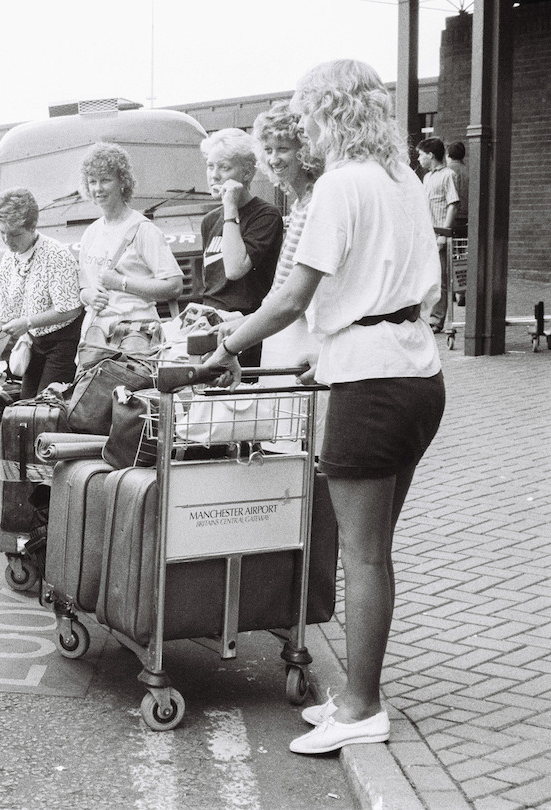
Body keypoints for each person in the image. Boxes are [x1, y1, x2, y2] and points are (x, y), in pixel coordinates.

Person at [200, 59, 445, 756]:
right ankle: (357, 693)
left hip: (370, 390)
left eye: (308, 115)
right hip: (417, 376)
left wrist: (225, 351)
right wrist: (326, 349)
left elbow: (289, 298)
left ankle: (363, 708)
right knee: (376, 554)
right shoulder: (402, 180)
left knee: (363, 557)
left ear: (331, 113)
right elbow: (408, 285)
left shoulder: (341, 184)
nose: (302, 130)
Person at [249, 102, 326, 449]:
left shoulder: (315, 201)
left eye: (283, 149)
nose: (274, 158)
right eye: (268, 150)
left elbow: (295, 287)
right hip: (283, 328)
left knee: (295, 442)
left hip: (299, 331)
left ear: (304, 151)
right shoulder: (299, 203)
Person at [76, 142, 183, 367]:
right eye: (92, 182)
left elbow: (174, 286)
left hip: (136, 335)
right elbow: (84, 287)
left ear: (123, 182)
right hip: (96, 336)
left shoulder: (144, 230)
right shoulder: (91, 232)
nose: (98, 188)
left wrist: (121, 283)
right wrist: (89, 296)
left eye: (105, 180)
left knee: (129, 399)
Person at [0, 187, 84, 398]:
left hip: (63, 343)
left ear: (32, 226)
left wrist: (27, 322)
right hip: (34, 344)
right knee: (25, 405)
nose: (7, 240)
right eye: (2, 232)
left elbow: (71, 309)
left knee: (46, 408)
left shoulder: (56, 254)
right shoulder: (10, 258)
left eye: (14, 234)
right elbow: (5, 312)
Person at [198, 128, 284, 368]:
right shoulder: (209, 221)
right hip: (209, 326)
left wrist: (230, 209)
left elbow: (235, 269)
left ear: (246, 172)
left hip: (244, 329)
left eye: (224, 167)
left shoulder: (266, 215)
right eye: (210, 166)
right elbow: (212, 284)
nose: (214, 176)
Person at [416, 136, 460, 332]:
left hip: (440, 234)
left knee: (441, 277)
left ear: (431, 155)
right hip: (427, 234)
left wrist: (444, 233)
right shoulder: (427, 177)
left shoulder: (448, 175)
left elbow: (453, 204)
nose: (419, 159)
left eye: (421, 155)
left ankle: (436, 319)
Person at [447, 141, 469, 231]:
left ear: (448, 154)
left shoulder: (446, 171)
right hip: (466, 215)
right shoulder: (469, 170)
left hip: (451, 215)